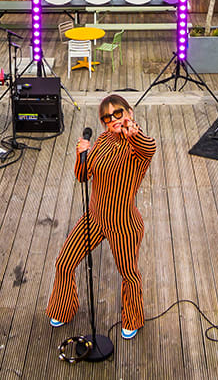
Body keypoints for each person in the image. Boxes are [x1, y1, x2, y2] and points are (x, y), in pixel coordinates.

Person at [46, 95, 156, 340]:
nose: (113, 120)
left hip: (123, 224)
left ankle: (133, 317)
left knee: (128, 274)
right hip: (94, 217)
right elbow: (83, 176)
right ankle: (63, 308)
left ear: (129, 111)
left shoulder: (137, 145)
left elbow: (149, 147)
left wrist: (132, 133)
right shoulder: (104, 139)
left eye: (118, 113)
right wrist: (81, 154)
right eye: (107, 117)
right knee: (64, 263)